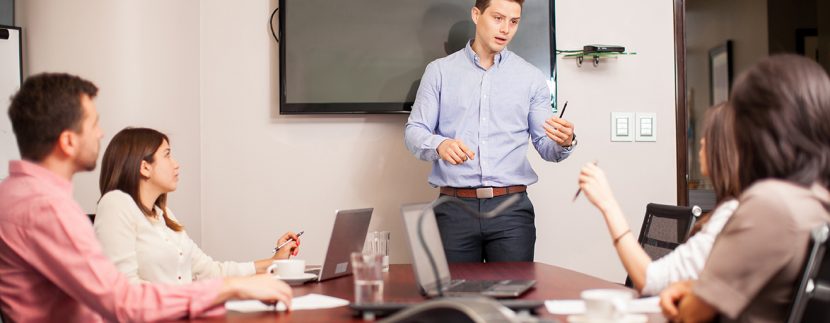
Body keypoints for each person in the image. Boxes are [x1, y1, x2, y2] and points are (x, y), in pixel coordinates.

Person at [0, 73, 292, 322]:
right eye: (93, 125)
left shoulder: (16, 195)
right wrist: (230, 288)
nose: (101, 134)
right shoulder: (46, 209)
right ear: (68, 141)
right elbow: (123, 302)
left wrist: (255, 272)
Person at [659, 55, 830, 322]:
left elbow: (692, 315)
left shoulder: (770, 203)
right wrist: (697, 288)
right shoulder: (815, 200)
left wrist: (694, 296)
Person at [404, 0, 576, 263]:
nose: (505, 28)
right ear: (476, 14)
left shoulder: (531, 78)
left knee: (513, 301)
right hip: (453, 209)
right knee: (455, 300)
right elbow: (414, 131)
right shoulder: (439, 72)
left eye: (514, 21)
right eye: (498, 18)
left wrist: (564, 141)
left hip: (511, 211)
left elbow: (547, 148)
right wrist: (440, 145)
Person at [94, 127, 300, 284]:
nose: (176, 164)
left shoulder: (163, 215)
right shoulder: (115, 204)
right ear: (145, 167)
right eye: (167, 155)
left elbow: (211, 271)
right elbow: (122, 290)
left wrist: (275, 261)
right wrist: (194, 297)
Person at [577, 103, 740, 295]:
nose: (702, 143)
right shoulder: (731, 211)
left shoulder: (731, 216)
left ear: (724, 148)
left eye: (709, 137)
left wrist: (608, 204)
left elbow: (651, 280)